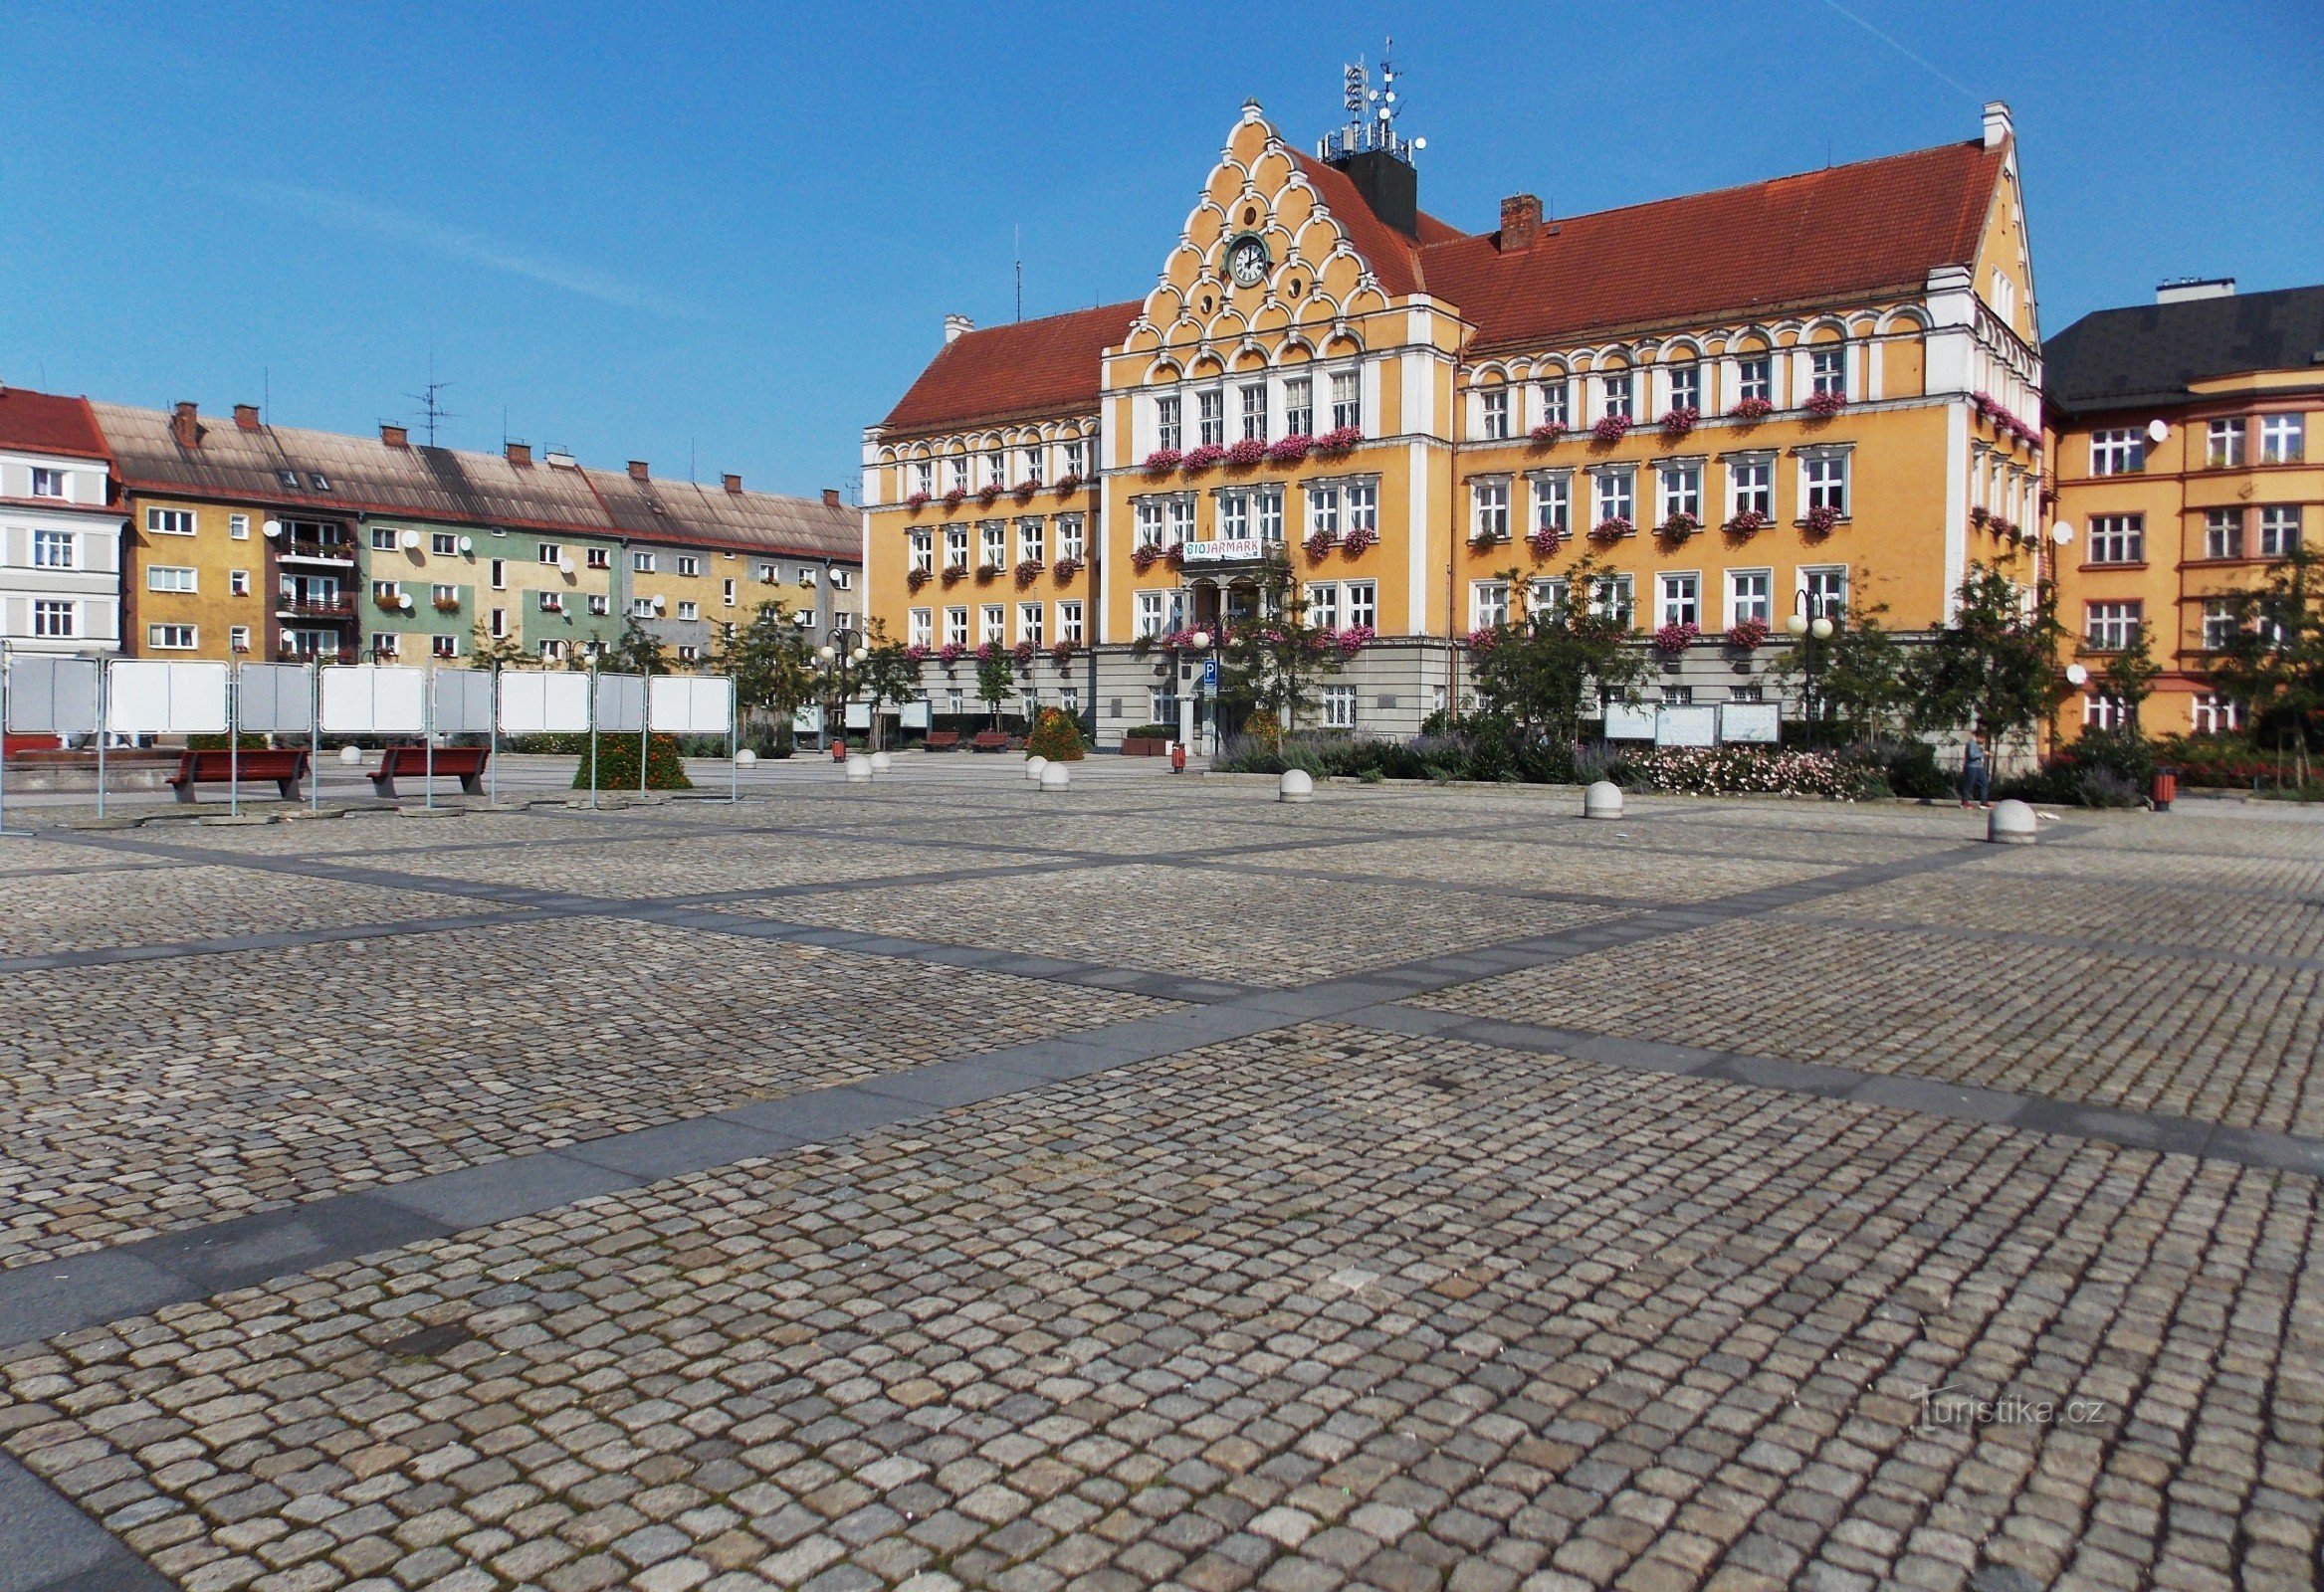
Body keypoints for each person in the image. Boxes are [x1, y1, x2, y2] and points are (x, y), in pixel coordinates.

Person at [1960, 736, 1991, 808]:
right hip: (1972, 767)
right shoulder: (1971, 743)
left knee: (1985, 783)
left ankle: (1983, 802)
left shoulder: (1976, 744)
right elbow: (1972, 755)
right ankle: (1964, 802)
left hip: (1979, 767)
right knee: (1969, 784)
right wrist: (1983, 754)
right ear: (1978, 736)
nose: (1984, 740)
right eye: (1983, 738)